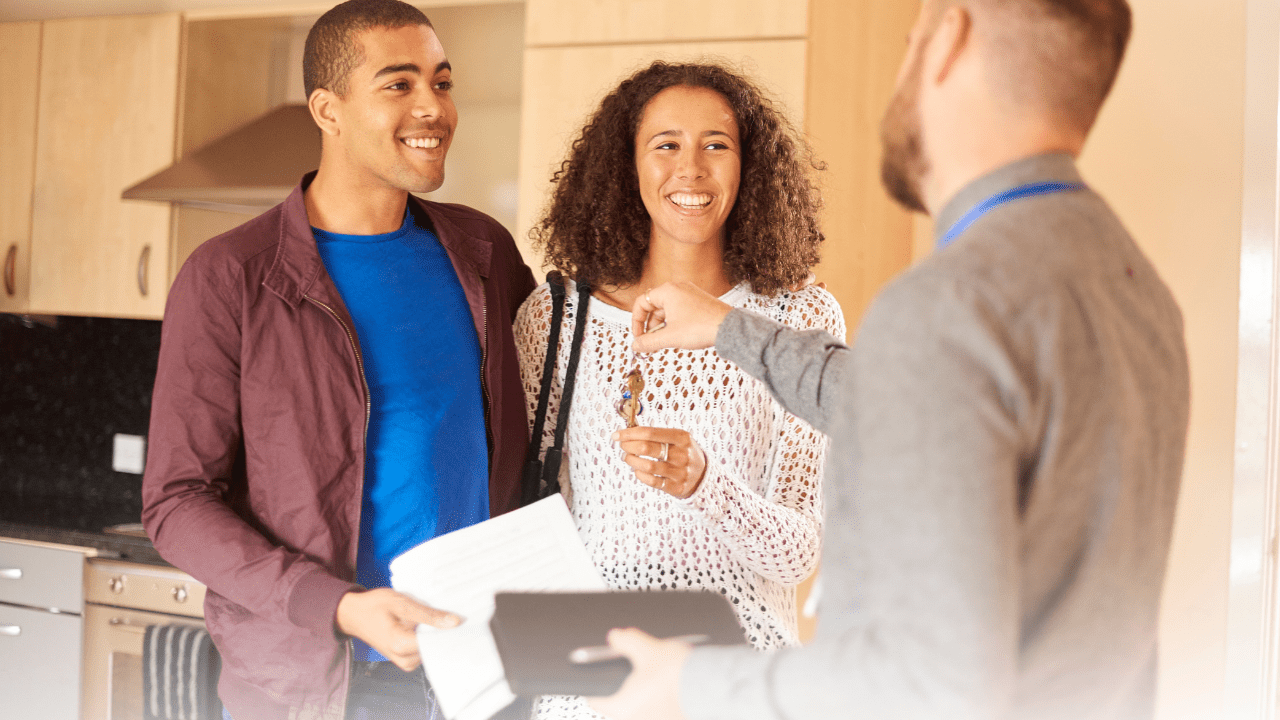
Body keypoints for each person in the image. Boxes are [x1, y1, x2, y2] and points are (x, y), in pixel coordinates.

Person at [589, 1, 1190, 719]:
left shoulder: (945, 307)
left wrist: (691, 685)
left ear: (949, 40)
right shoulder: (1138, 293)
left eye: (909, 45)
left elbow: (924, 682)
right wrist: (730, 330)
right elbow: (913, 404)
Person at [140, 1, 535, 718]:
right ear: (328, 109)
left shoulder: (485, 254)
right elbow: (175, 503)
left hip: (480, 674)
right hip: (325, 685)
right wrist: (341, 606)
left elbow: (536, 436)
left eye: (442, 83)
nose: (432, 108)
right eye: (399, 85)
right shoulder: (231, 276)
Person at [513, 61, 845, 719]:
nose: (691, 169)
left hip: (740, 687)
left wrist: (706, 485)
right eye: (665, 144)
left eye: (715, 145)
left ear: (747, 165)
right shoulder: (554, 321)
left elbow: (797, 555)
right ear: (626, 166)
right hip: (591, 693)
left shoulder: (798, 319)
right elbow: (533, 528)